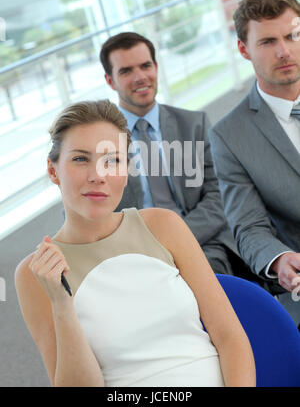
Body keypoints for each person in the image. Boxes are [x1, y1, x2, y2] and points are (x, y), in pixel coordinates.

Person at [14, 99, 255, 387]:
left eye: (112, 160)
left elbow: (229, 336)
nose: (97, 176)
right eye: (80, 159)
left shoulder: (163, 226)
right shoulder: (36, 272)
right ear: (53, 171)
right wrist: (62, 305)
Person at [99, 31, 247, 277]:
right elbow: (86, 212)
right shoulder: (99, 140)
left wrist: (175, 239)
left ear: (156, 67)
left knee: (213, 276)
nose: (140, 77)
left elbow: (219, 194)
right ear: (110, 80)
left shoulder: (193, 124)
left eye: (146, 66)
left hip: (200, 241)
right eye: (126, 71)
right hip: (134, 255)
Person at [208, 0, 300, 325]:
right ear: (244, 49)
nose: (284, 51)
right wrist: (279, 260)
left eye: (292, 36)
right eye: (267, 42)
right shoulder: (229, 136)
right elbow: (248, 227)